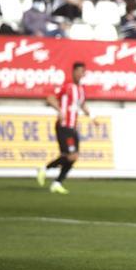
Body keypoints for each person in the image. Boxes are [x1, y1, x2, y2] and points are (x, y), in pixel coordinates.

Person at [36, 63, 96, 195]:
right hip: (64, 126)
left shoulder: (81, 89)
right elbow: (50, 98)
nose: (81, 74)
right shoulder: (67, 86)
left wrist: (92, 117)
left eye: (83, 72)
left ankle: (56, 182)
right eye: (79, 71)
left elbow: (82, 105)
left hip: (73, 127)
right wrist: (59, 110)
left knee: (72, 157)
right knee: (71, 156)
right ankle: (46, 170)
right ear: (74, 72)